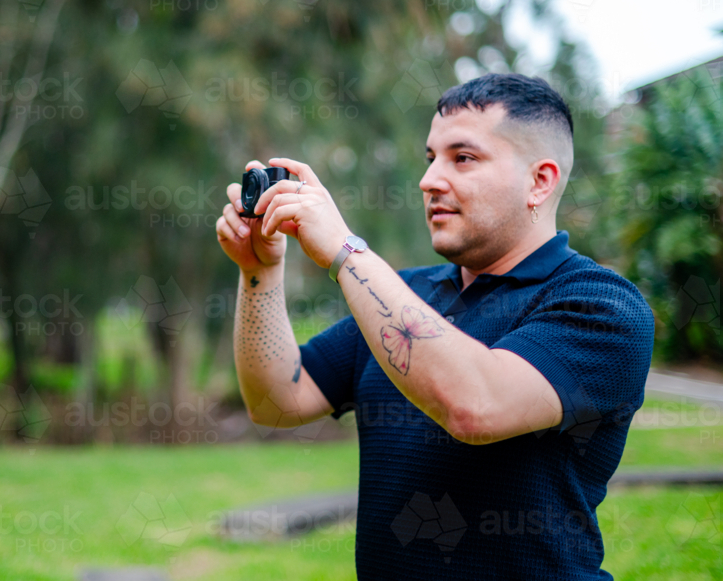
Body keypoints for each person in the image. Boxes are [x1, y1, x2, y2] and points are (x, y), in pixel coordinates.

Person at [215, 73, 654, 579]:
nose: (429, 180)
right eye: (430, 159)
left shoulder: (601, 305)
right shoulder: (404, 295)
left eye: (462, 158)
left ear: (540, 180)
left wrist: (344, 250)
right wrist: (260, 272)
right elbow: (276, 401)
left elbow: (476, 407)